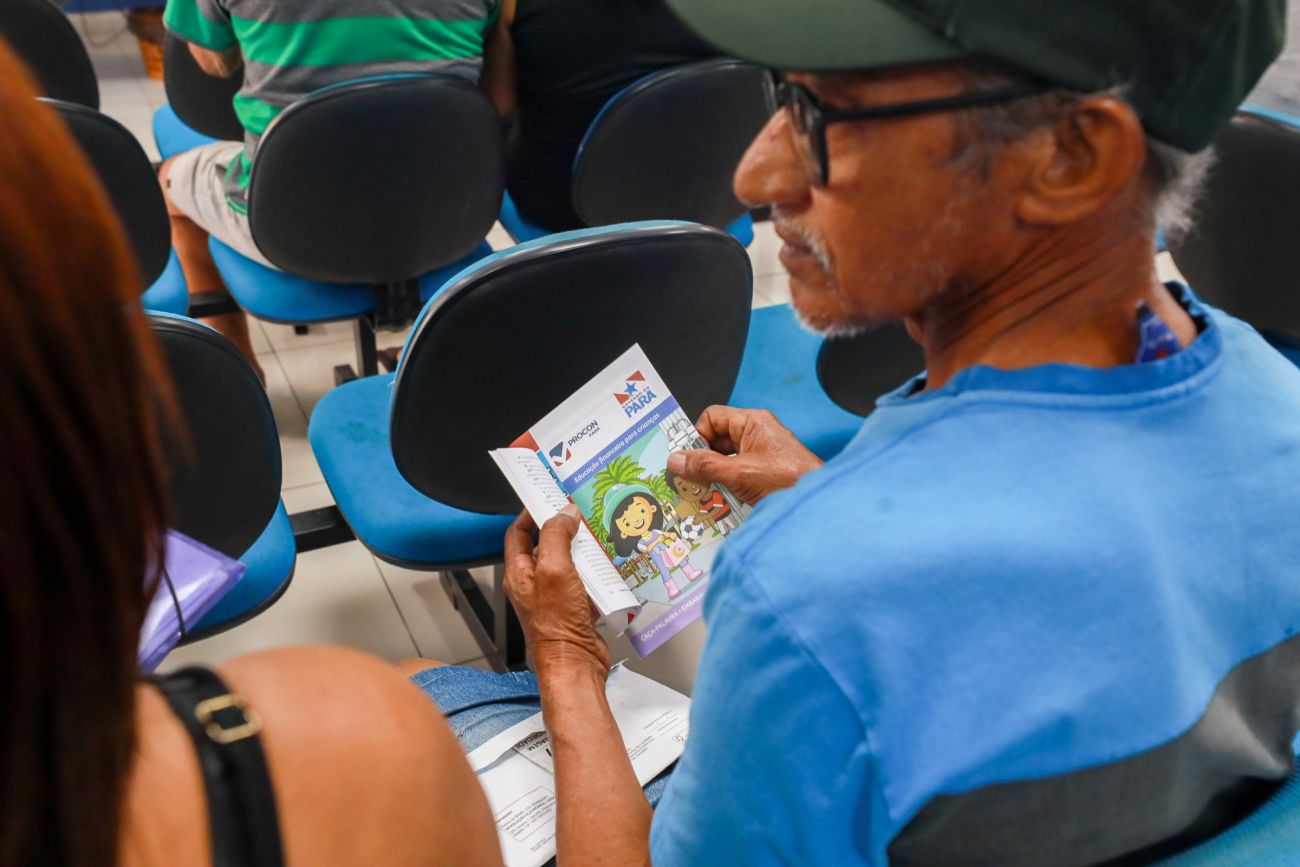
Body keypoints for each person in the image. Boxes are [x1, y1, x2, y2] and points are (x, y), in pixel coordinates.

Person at [478, 0, 1300, 864]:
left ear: (1071, 158)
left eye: (822, 114)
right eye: (780, 95)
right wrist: (834, 498)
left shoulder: (809, 597)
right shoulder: (1277, 410)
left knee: (428, 691)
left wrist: (564, 652)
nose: (755, 176)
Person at [0, 41, 503, 867]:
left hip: (293, 210)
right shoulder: (362, 738)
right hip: (442, 205)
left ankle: (238, 362)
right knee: (423, 675)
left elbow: (203, 66)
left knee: (176, 171)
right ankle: (232, 378)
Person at [158, 0, 501, 370]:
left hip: (289, 232)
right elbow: (493, 78)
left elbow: (214, 63)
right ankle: (421, 358)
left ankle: (237, 369)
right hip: (448, 220)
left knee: (169, 180)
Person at [479, 0, 717, 232]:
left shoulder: (517, 5)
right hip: (702, 197)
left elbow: (499, 104)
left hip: (561, 211)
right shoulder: (731, 12)